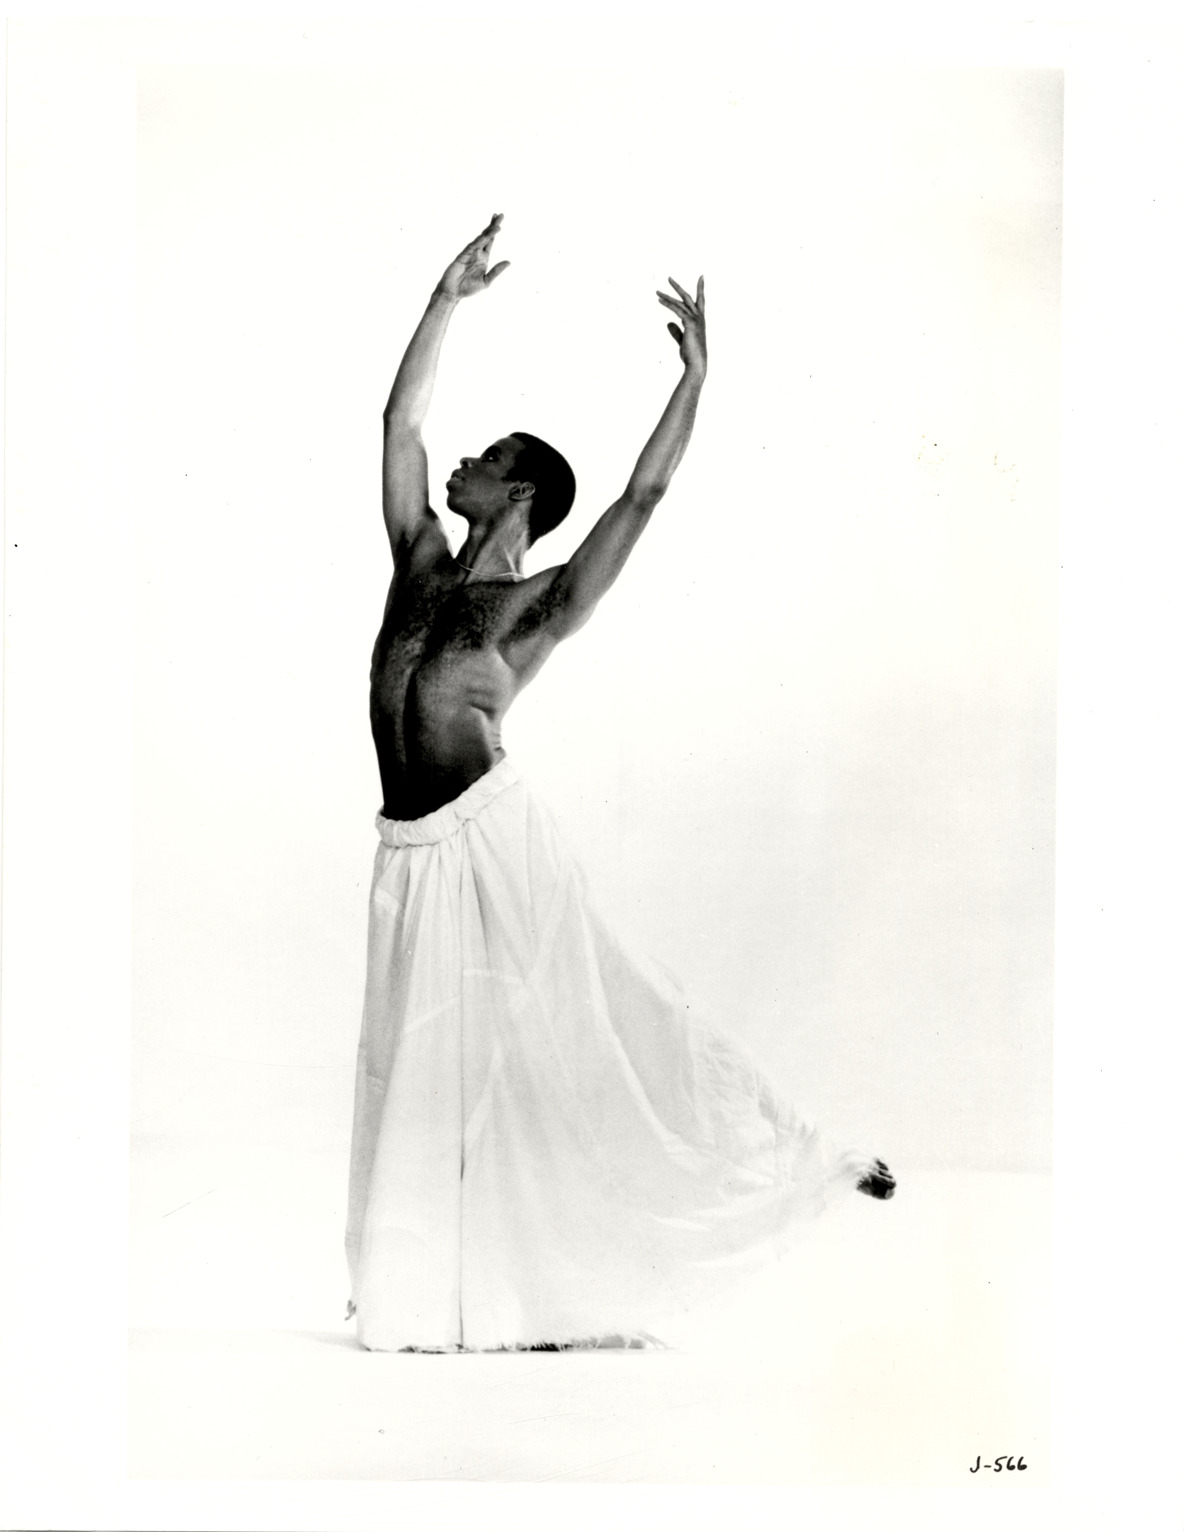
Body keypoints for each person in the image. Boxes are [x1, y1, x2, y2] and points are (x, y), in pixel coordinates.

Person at [345, 215, 894, 1354]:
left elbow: (637, 501)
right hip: (406, 851)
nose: (459, 464)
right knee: (420, 1069)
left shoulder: (535, 604)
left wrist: (692, 382)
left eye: (483, 457)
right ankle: (437, 1291)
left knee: (603, 1024)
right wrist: (443, 299)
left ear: (518, 491)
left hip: (490, 844)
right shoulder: (418, 560)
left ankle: (800, 1157)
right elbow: (399, 426)